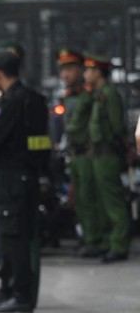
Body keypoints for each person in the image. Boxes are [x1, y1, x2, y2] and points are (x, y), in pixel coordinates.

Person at [0, 50, 45, 313]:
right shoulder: (36, 100)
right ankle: (18, 290)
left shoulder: (9, 103)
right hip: (30, 176)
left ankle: (19, 294)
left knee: (12, 238)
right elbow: (42, 144)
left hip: (10, 178)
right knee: (25, 236)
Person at [84, 53, 130, 263]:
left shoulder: (109, 94)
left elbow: (117, 125)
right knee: (102, 203)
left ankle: (119, 245)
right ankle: (107, 242)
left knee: (113, 202)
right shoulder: (98, 93)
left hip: (108, 154)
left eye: (89, 70)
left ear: (97, 72)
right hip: (98, 155)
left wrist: (123, 148)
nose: (86, 74)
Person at [57, 48, 102, 257]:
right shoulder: (66, 97)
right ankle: (86, 237)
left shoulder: (90, 95)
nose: (65, 75)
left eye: (70, 69)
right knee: (79, 199)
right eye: (63, 70)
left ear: (80, 70)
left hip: (88, 153)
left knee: (89, 196)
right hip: (74, 153)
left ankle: (95, 239)